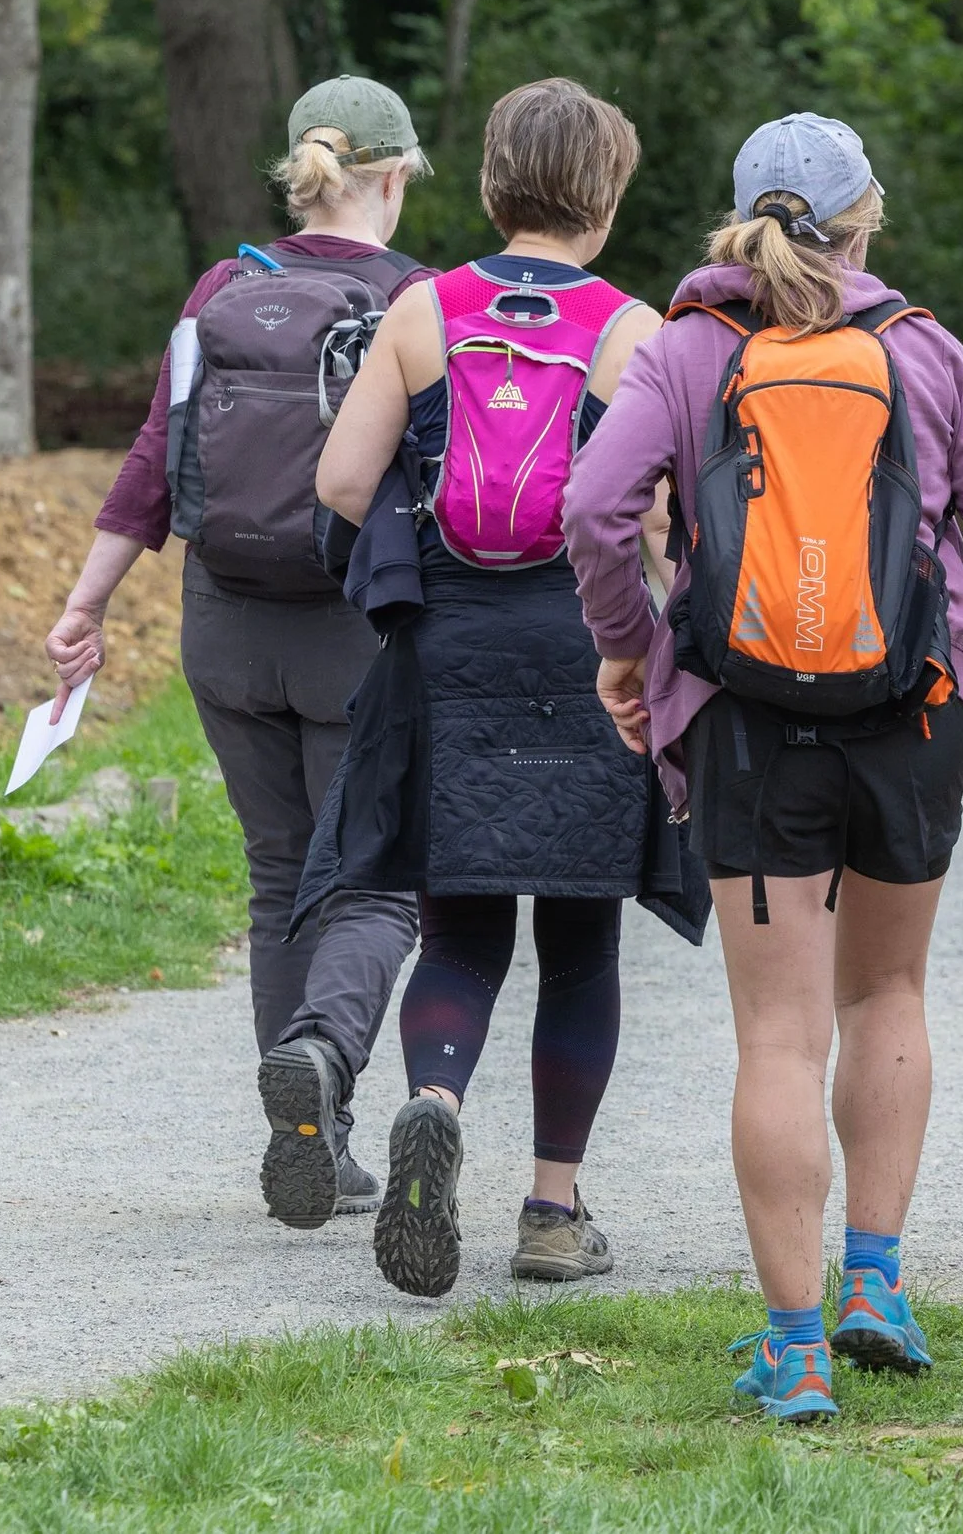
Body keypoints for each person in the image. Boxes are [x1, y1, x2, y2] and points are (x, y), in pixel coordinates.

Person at [563, 113, 963, 1420]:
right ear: (865, 217)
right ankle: (876, 1282)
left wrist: (634, 647)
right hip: (912, 717)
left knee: (778, 1029)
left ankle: (793, 1348)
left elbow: (594, 510)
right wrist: (921, 600)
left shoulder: (683, 351)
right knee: (888, 989)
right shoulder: (928, 353)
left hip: (742, 720)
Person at [308, 76, 677, 1300]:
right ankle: (551, 1210)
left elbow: (343, 479)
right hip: (585, 655)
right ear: (607, 198)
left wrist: (428, 531)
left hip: (447, 657)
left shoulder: (423, 309)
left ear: (487, 183)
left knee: (460, 927)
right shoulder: (634, 333)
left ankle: (429, 1103)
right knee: (579, 944)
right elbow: (658, 514)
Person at [46, 75, 432, 1231]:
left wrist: (85, 608)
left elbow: (153, 458)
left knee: (279, 877)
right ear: (394, 176)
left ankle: (305, 1134)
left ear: (301, 172)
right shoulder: (418, 302)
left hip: (222, 623)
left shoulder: (225, 289)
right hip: (354, 631)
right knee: (375, 878)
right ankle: (323, 1063)